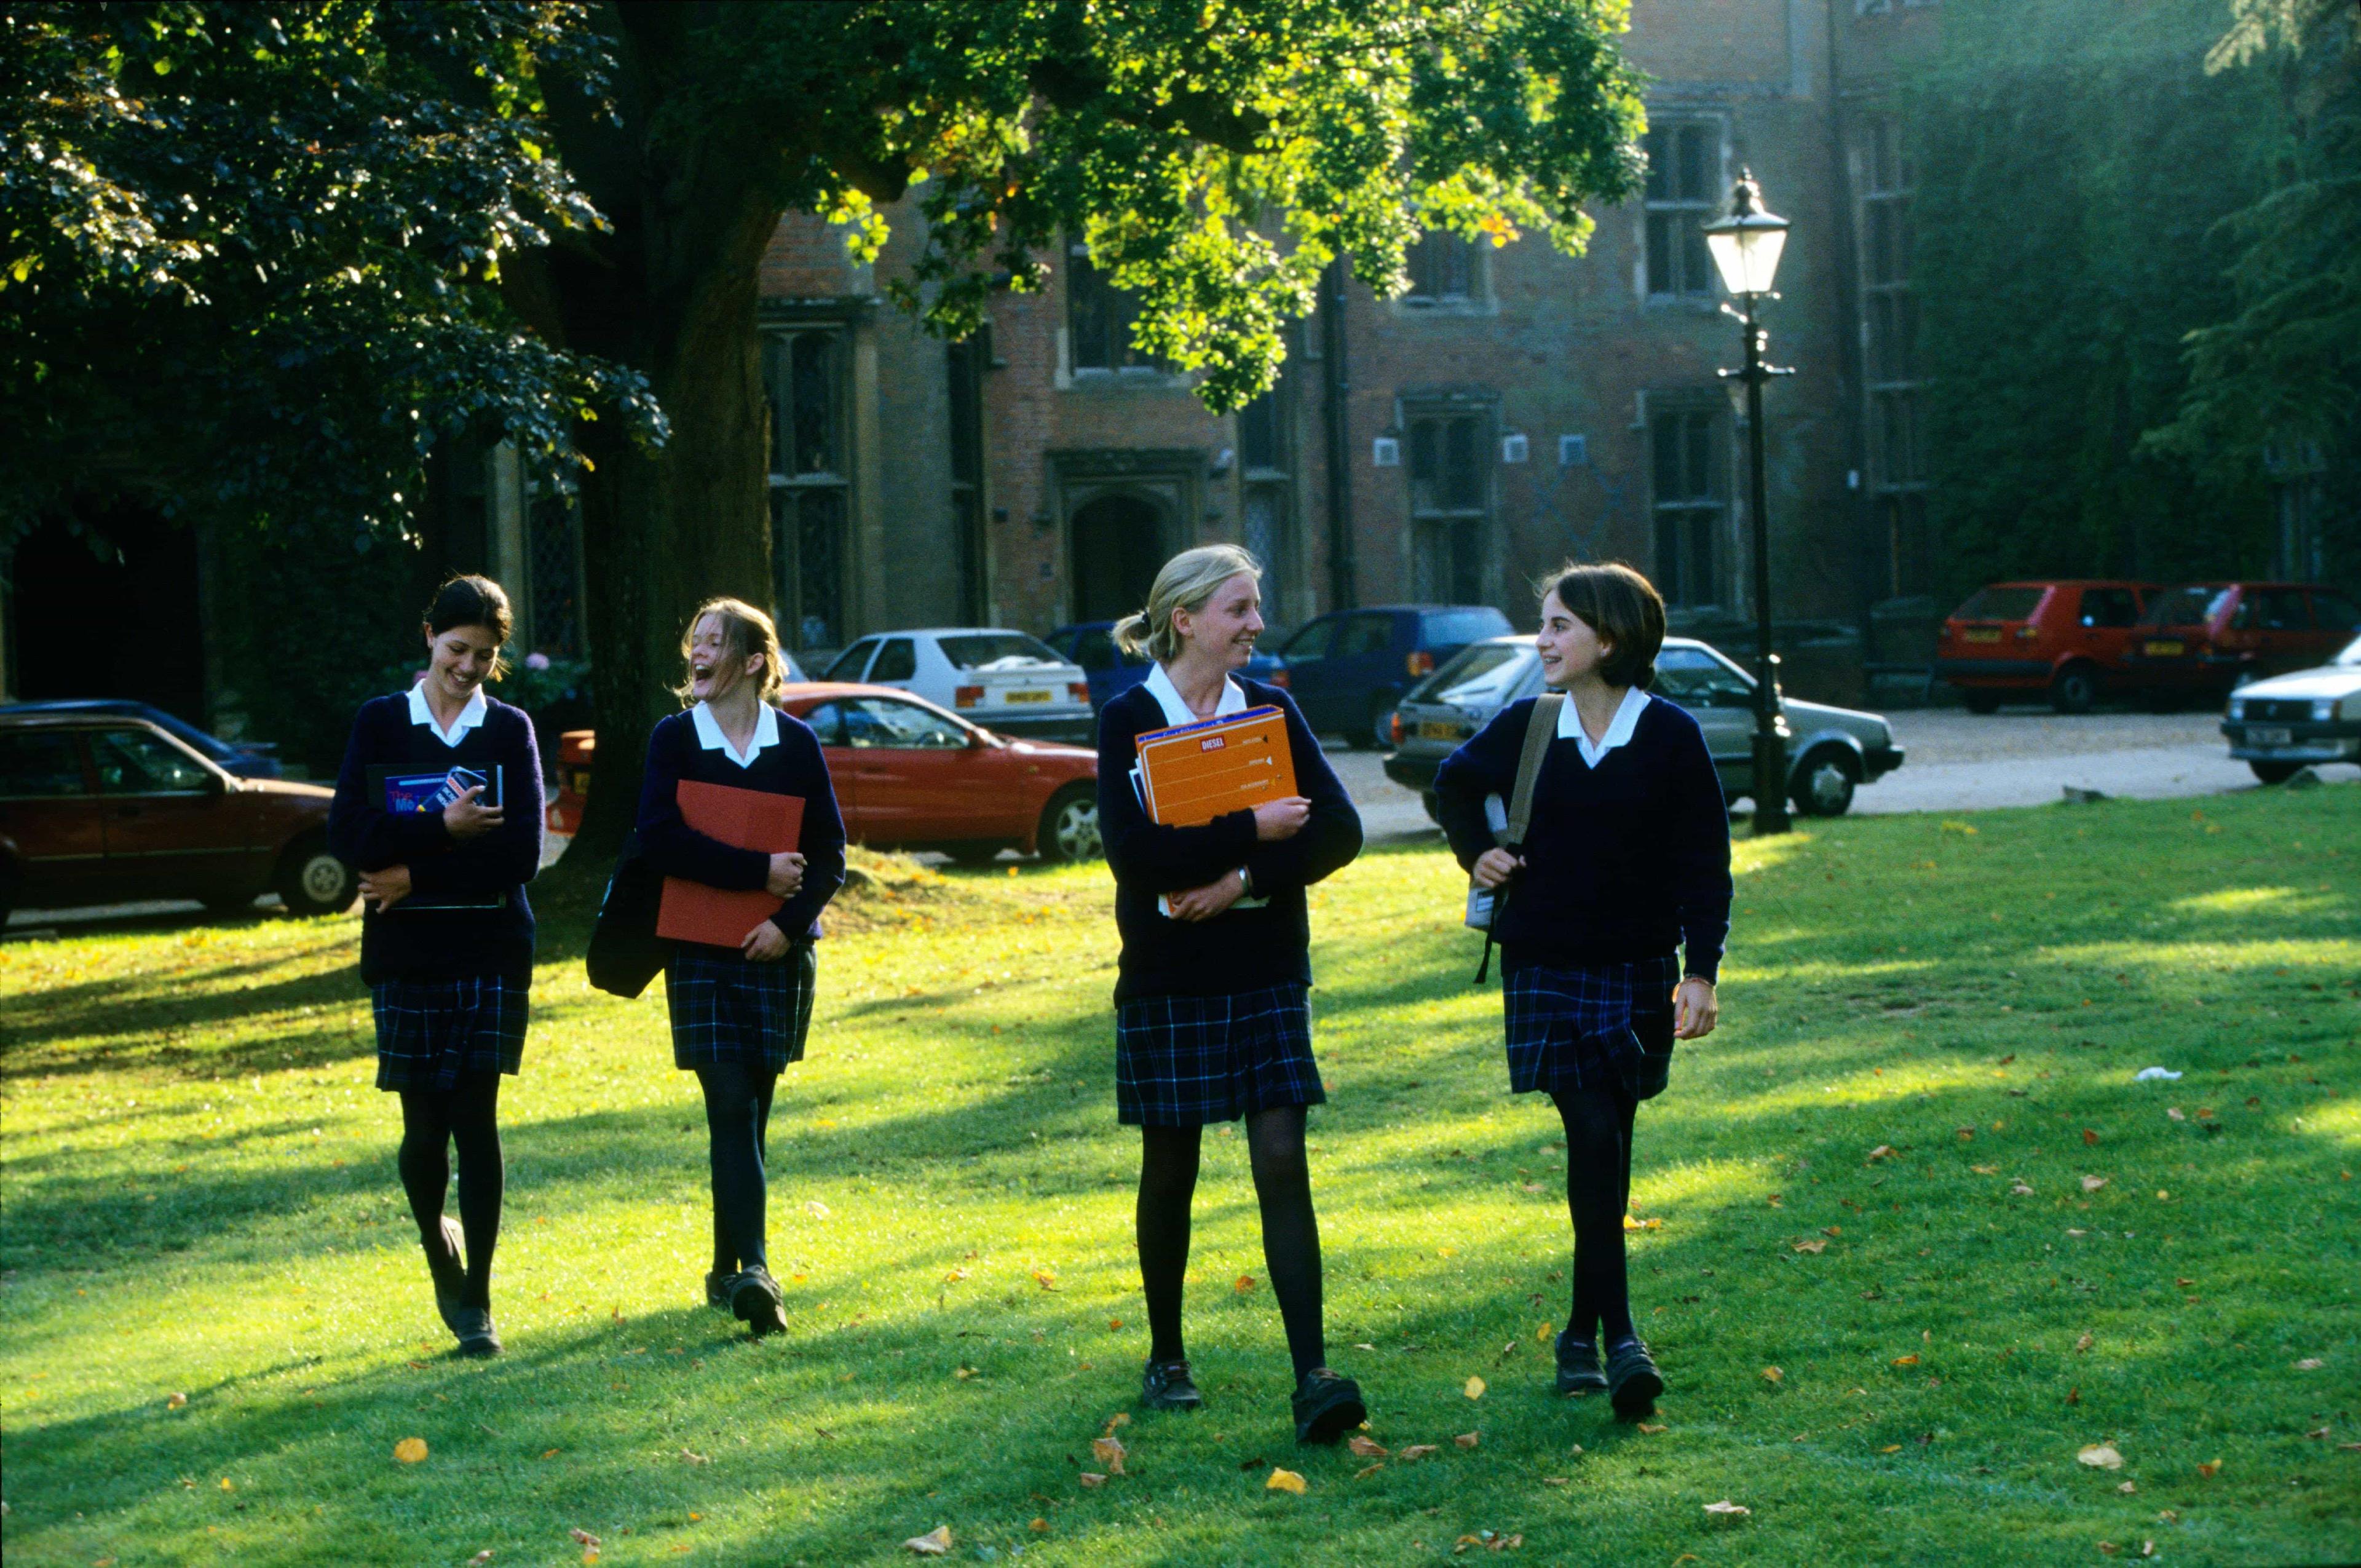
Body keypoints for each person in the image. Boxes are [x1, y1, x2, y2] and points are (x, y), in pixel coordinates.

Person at [1433, 562, 1730, 1420]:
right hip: (1544, 969)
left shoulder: (1671, 735)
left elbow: (1704, 867)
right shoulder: (1530, 725)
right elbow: (1453, 782)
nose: (1544, 639)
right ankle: (1624, 1336)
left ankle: (1577, 1332)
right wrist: (1475, 852)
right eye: (1546, 623)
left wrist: (1701, 971)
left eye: (1560, 625)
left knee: (1611, 1146)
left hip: (1639, 973)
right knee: (1593, 1128)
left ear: (1610, 638)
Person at [1095, 544, 1369, 1444]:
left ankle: (1314, 1372)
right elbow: (1136, 857)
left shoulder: (1275, 712)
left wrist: (1241, 879)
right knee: (1170, 1165)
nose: (1256, 624)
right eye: (1239, 609)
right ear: (1186, 620)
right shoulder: (1128, 719)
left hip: (1264, 969)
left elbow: (1337, 830)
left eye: (1254, 607)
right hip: (1169, 975)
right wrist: (1247, 825)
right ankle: (1167, 1356)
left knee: (1281, 1157)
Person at [328, 574, 545, 1358]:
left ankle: (479, 1298)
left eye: (486, 656)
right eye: (458, 650)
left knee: (475, 1121)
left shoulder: (509, 730)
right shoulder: (382, 722)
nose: (469, 667)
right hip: (407, 953)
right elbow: (350, 834)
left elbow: (519, 852)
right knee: (424, 1131)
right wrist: (443, 827)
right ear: (429, 637)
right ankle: (435, 1241)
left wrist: (416, 867)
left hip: (490, 949)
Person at [635, 596, 845, 1338]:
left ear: (754, 661)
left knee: (752, 1113)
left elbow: (830, 857)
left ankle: (726, 1266)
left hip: (778, 954)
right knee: (728, 1103)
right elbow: (659, 841)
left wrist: (785, 927)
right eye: (695, 640)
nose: (697, 652)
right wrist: (758, 870)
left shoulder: (796, 745)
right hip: (697, 952)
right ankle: (758, 1271)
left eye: (714, 642)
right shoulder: (674, 740)